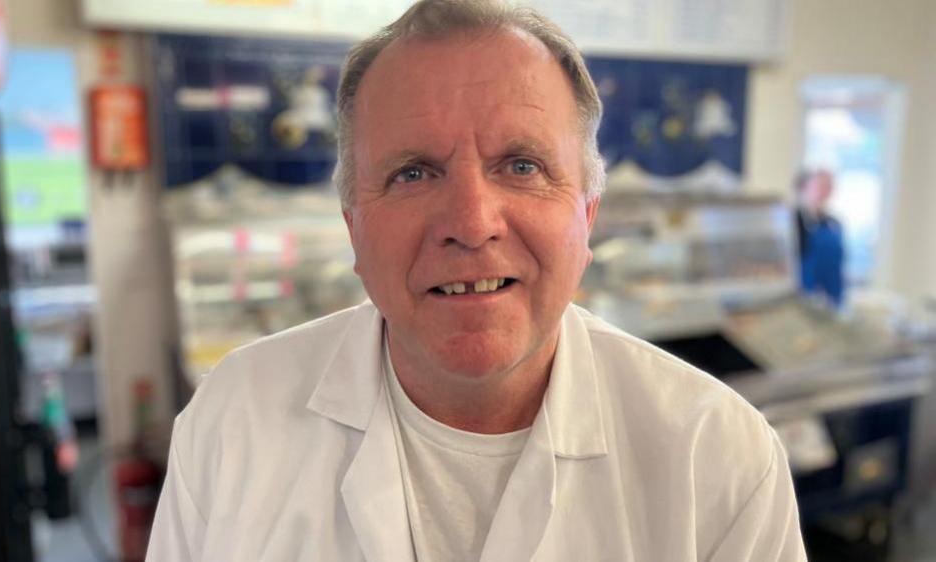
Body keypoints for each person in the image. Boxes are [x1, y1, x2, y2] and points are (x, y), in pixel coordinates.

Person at [146, 1, 807, 560]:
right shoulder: (232, 419)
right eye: (411, 172)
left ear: (587, 216)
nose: (470, 222)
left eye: (520, 165)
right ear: (354, 228)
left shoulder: (718, 460)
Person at [795, 169, 845, 307]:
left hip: (833, 298)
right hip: (804, 296)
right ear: (805, 187)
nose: (825, 191)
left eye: (828, 186)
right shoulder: (795, 221)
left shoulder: (835, 223)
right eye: (820, 186)